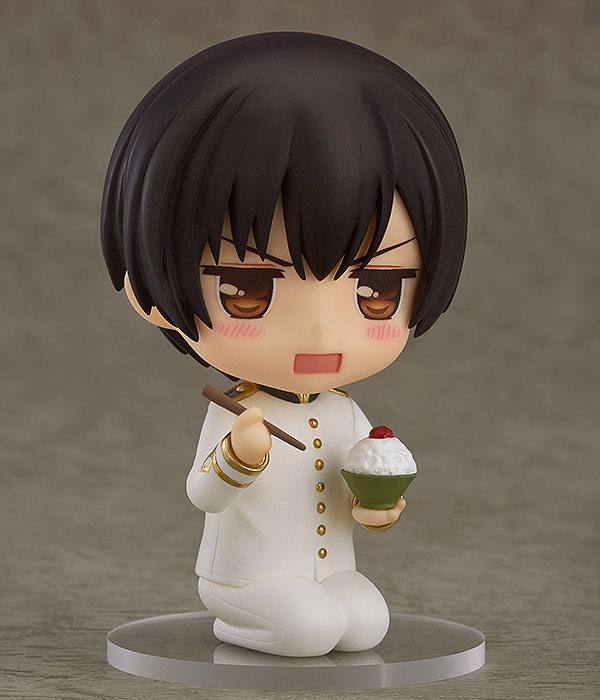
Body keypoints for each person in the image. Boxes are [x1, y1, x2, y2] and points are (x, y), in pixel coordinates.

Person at [101, 32, 467, 657]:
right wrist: (238, 458)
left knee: (366, 624)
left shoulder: (345, 412)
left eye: (376, 290)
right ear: (150, 293)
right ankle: (235, 622)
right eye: (248, 290)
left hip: (330, 569)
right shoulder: (238, 412)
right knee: (309, 630)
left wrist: (378, 507)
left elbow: (359, 486)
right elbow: (203, 495)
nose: (321, 332)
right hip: (248, 577)